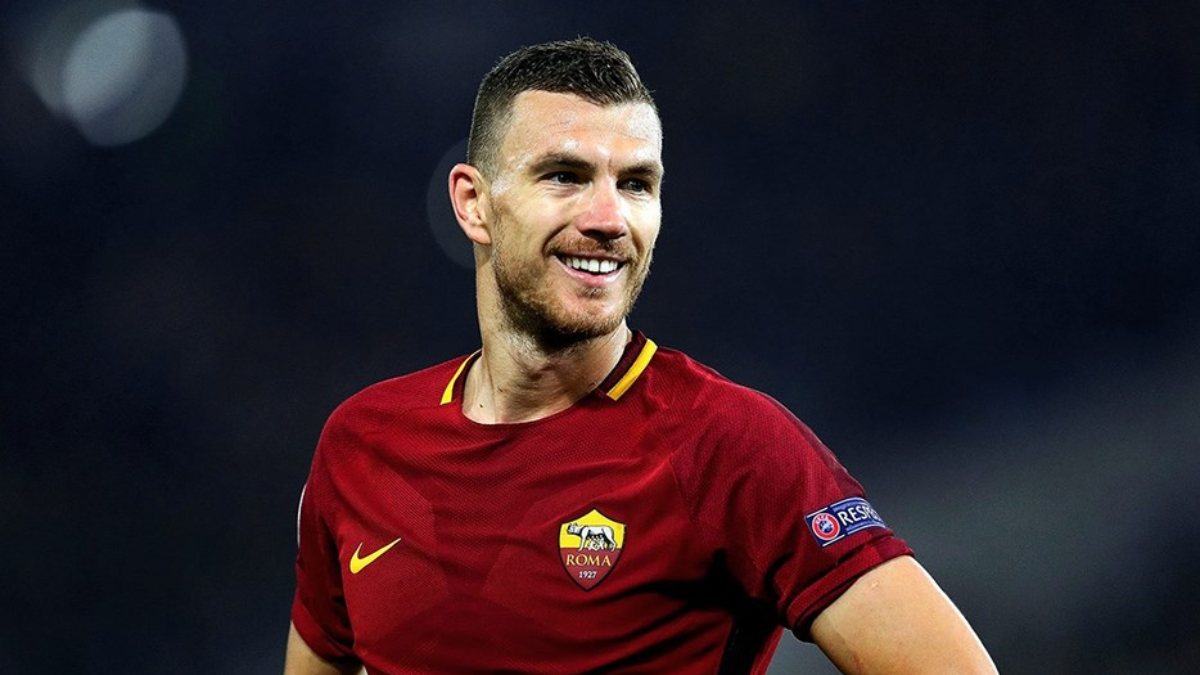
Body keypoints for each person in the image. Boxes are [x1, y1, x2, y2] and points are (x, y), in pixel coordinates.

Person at [284, 38, 996, 674]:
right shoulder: (361, 445)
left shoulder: (728, 446)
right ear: (474, 204)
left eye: (635, 184)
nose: (609, 219)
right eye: (565, 175)